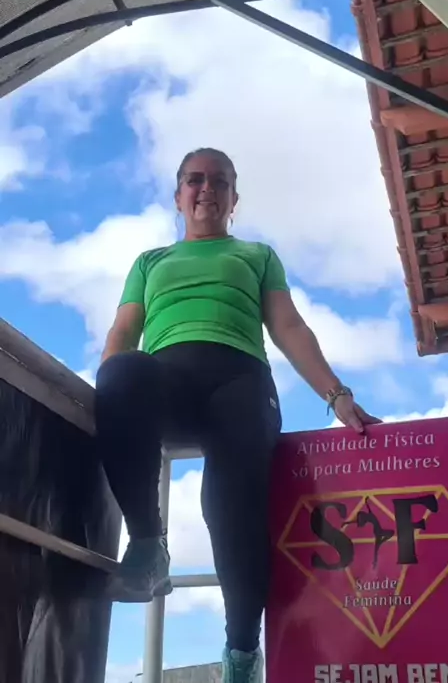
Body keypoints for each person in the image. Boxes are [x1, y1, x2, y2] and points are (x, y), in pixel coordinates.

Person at [95, 147, 381, 683]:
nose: (207, 188)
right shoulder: (150, 262)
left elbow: (289, 327)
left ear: (233, 199)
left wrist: (337, 394)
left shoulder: (256, 255)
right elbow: (122, 332)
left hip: (240, 383)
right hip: (168, 384)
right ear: (178, 196)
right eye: (195, 179)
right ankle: (149, 545)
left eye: (220, 181)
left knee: (228, 509)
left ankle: (243, 654)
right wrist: (110, 397)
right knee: (121, 372)